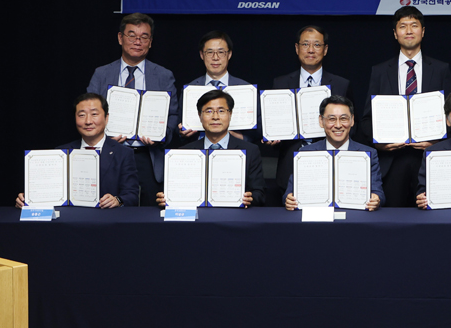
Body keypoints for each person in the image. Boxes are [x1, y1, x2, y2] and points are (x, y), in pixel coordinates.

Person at [362, 6, 451, 207]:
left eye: (414, 25)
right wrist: (380, 143)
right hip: (392, 160)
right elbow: (367, 119)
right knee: (392, 219)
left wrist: (436, 142)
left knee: (430, 218)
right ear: (395, 34)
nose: (409, 31)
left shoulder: (440, 69)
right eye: (403, 26)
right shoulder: (379, 71)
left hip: (429, 158)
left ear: (423, 31)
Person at [87, 13, 179, 206]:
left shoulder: (164, 76)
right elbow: (89, 113)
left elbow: (172, 115)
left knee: (150, 218)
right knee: (109, 212)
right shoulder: (102, 74)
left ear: (150, 42)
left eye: (144, 37)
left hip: (149, 156)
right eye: (132, 35)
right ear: (120, 38)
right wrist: (104, 137)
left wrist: (161, 134)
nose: (138, 41)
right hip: (111, 154)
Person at [268, 25, 354, 203]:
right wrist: (269, 135)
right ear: (297, 48)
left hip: (332, 163)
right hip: (289, 165)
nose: (311, 50)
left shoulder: (341, 84)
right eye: (305, 44)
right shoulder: (280, 83)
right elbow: (269, 121)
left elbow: (354, 125)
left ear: (325, 49)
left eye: (317, 45)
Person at [16, 93, 139, 208]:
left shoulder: (123, 153)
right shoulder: (60, 153)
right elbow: (47, 191)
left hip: (107, 220)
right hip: (69, 220)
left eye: (94, 114)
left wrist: (117, 200)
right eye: (81, 115)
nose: (88, 121)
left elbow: (132, 195)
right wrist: (28, 199)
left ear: (106, 118)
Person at [156, 89, 265, 207]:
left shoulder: (250, 151)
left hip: (234, 217)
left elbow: (259, 193)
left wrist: (250, 198)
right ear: (200, 116)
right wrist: (164, 198)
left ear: (230, 114)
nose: (215, 117)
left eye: (221, 111)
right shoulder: (183, 153)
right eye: (209, 111)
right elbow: (170, 191)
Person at [284, 95, 384, 211]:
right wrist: (289, 199)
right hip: (316, 218)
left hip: (355, 217)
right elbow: (290, 193)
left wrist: (376, 199)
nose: (337, 125)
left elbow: (378, 192)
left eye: (343, 119)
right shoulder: (305, 153)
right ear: (321, 121)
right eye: (331, 119)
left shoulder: (368, 154)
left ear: (352, 120)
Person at [179, 30, 258, 143]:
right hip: (198, 152)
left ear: (229, 54)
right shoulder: (189, 90)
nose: (215, 57)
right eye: (210, 52)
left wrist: (240, 138)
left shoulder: (247, 89)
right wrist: (182, 133)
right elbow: (179, 129)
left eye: (221, 52)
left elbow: (258, 132)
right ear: (202, 55)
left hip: (237, 151)